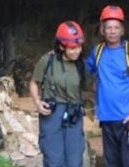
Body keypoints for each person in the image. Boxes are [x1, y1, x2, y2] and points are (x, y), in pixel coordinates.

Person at [87, 5, 129, 167]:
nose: (112, 31)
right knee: (111, 164)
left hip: (128, 119)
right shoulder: (97, 52)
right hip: (107, 119)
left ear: (122, 30)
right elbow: (83, 71)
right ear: (102, 30)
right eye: (108, 27)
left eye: (116, 27)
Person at [30, 20, 87, 167]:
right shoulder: (47, 60)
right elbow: (34, 83)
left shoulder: (80, 63)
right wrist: (37, 102)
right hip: (52, 113)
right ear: (61, 46)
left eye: (79, 46)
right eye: (73, 47)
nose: (77, 51)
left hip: (74, 113)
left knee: (74, 162)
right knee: (54, 161)